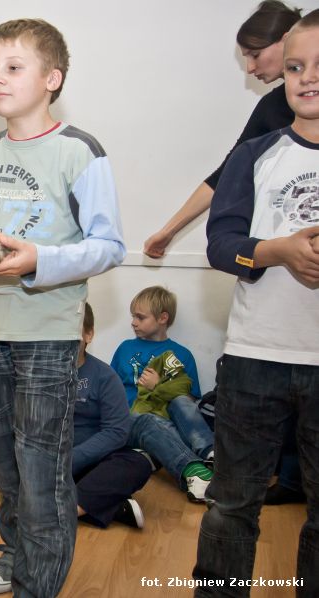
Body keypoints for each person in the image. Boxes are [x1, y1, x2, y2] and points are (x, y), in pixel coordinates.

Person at [0, 19, 125, 597]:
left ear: (52, 78)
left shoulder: (80, 152)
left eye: (13, 67)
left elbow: (108, 245)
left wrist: (37, 260)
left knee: (41, 467)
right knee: (1, 460)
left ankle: (36, 584)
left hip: (48, 333)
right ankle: (18, 547)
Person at [192, 12, 319, 595]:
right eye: (294, 67)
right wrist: (277, 251)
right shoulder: (255, 155)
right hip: (253, 359)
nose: (306, 77)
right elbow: (221, 245)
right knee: (231, 503)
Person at [143, 1, 303, 259]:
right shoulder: (271, 107)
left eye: (255, 54)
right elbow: (227, 173)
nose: (250, 68)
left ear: (287, 41)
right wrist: (168, 231)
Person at [111, 286, 214, 502]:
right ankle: (194, 472)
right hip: (132, 420)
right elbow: (110, 389)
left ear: (162, 318)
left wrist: (158, 386)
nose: (133, 322)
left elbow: (190, 401)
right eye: (133, 316)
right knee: (149, 421)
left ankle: (211, 454)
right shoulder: (125, 348)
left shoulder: (182, 354)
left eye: (140, 317)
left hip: (167, 421)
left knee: (181, 401)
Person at [74, 304, 151, 530]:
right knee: (14, 469)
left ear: (88, 334)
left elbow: (117, 431)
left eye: (72, 331)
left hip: (90, 460)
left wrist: (73, 458)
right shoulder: (39, 375)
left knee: (137, 463)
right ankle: (109, 506)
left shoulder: (105, 376)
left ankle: (60, 509)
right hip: (50, 459)